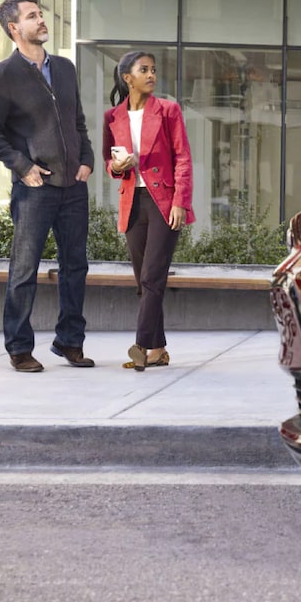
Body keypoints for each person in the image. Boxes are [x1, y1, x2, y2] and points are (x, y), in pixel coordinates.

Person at [0, 0, 95, 373]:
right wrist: (21, 165)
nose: (42, 20)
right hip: (35, 188)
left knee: (76, 265)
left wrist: (87, 159)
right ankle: (19, 347)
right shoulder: (1, 76)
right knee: (24, 269)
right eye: (32, 16)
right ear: (15, 28)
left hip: (73, 186)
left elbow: (77, 121)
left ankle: (69, 341)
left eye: (41, 13)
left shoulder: (64, 68)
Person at [102, 51, 195, 371]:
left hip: (164, 203)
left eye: (154, 70)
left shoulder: (169, 111)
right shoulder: (113, 117)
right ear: (128, 78)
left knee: (153, 277)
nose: (152, 75)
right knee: (144, 281)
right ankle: (159, 349)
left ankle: (141, 346)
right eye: (145, 70)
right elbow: (108, 162)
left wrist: (181, 201)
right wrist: (116, 165)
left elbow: (183, 157)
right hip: (132, 202)